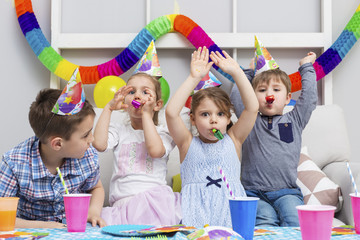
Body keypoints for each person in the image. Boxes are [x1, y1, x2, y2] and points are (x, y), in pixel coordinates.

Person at [165, 46, 259, 228]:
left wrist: (238, 73)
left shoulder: (234, 140)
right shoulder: (187, 143)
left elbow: (252, 108)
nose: (213, 121)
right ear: (193, 119)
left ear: (229, 118)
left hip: (231, 214)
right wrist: (194, 78)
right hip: (195, 216)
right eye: (205, 114)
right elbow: (171, 113)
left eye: (221, 114)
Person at [230, 52, 317, 227]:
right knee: (265, 222)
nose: (269, 94)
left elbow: (309, 99)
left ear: (287, 98)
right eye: (262, 90)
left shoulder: (295, 120)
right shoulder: (250, 120)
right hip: (253, 193)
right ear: (252, 98)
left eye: (276, 90)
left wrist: (306, 67)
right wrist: (247, 72)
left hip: (287, 192)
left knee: (295, 221)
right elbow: (237, 98)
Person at [0, 88, 106, 228]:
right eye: (85, 135)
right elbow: (2, 218)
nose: (91, 139)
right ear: (57, 144)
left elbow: (96, 188)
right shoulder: (14, 163)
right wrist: (44, 226)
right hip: (33, 232)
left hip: (74, 231)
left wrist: (93, 212)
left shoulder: (87, 155)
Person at [93, 72, 181, 225]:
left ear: (158, 105)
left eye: (145, 92)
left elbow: (155, 151)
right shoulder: (119, 130)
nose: (137, 96)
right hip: (122, 205)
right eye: (132, 92)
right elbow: (99, 145)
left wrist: (146, 114)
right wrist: (108, 108)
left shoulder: (164, 132)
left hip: (155, 203)